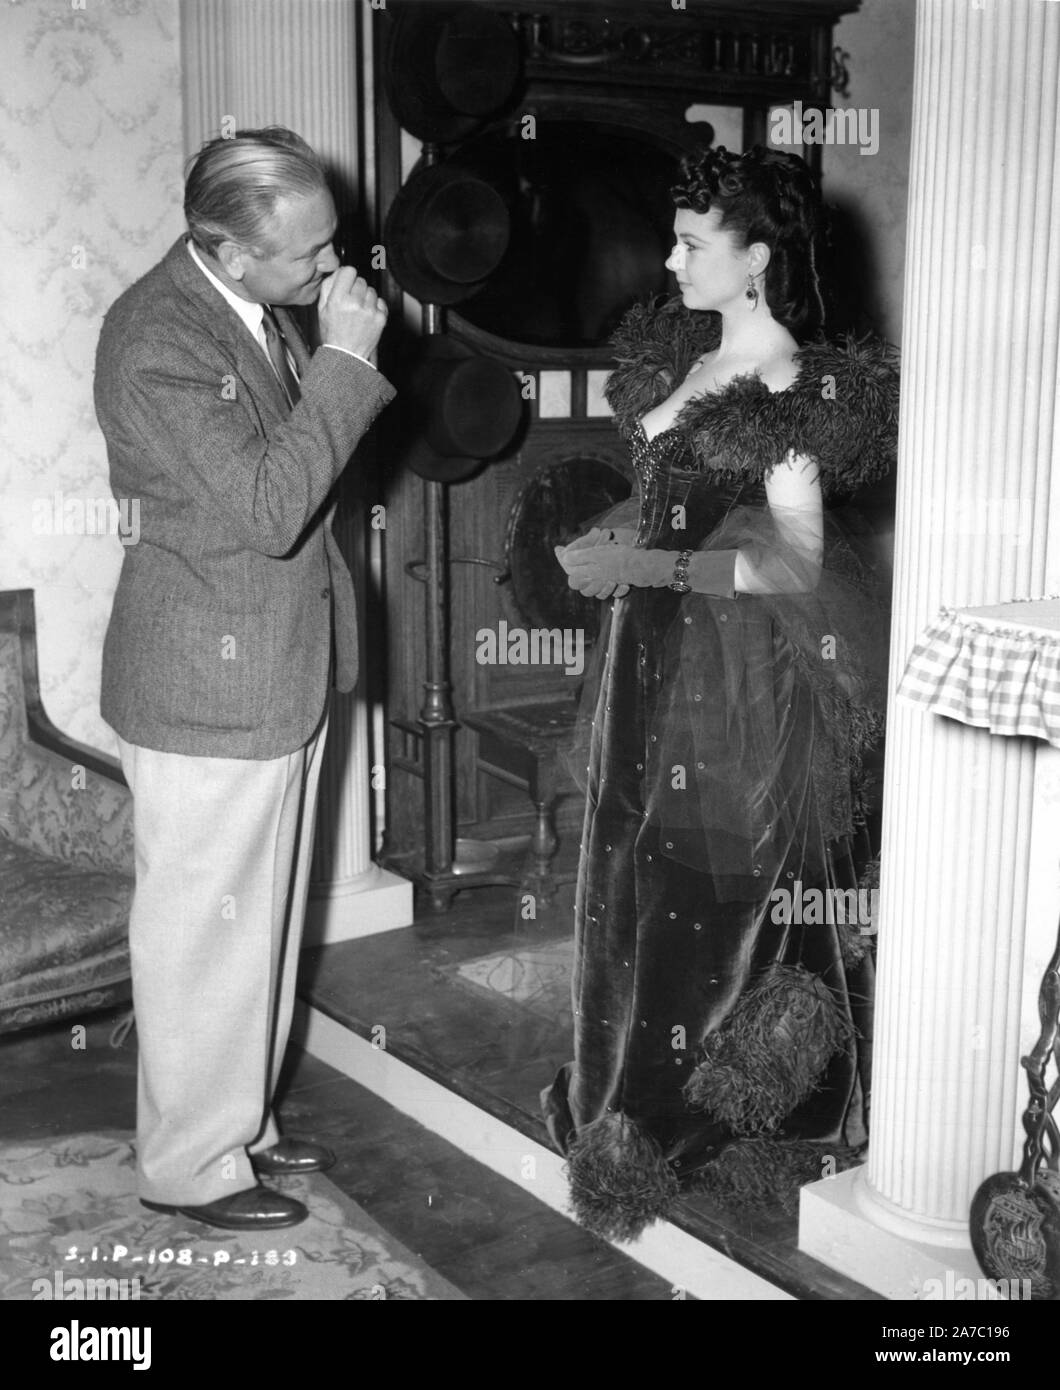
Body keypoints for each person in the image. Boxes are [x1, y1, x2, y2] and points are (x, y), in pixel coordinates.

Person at [543, 145, 898, 1241]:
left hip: (731, 675)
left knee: (710, 894)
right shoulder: (691, 357)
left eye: (692, 242)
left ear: (756, 259)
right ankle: (617, 1091)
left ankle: (689, 1117)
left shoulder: (790, 385)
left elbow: (792, 562)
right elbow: (669, 505)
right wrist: (611, 541)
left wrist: (646, 568)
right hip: (648, 654)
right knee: (626, 867)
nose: (668, 257)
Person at [94, 127, 393, 1231]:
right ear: (220, 245)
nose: (330, 273)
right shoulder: (155, 338)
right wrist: (348, 363)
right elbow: (272, 511)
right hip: (203, 686)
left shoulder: (244, 306)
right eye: (307, 259)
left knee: (255, 924)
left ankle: (240, 1129)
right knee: (201, 941)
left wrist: (322, 349)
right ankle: (190, 1166)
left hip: (273, 666)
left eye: (330, 245)